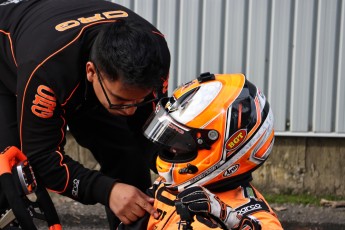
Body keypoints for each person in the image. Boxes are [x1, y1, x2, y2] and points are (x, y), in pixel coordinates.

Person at [0, 0, 170, 228]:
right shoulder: (46, 71)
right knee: (11, 170)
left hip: (73, 59)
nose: (130, 110)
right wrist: (107, 191)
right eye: (121, 100)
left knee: (127, 153)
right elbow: (42, 158)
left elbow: (150, 132)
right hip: (10, 57)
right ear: (91, 71)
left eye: (139, 99)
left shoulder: (155, 51)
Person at [118, 72, 283, 229]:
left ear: (224, 148)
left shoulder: (254, 215)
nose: (171, 149)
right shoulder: (169, 186)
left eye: (181, 142)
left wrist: (229, 218)